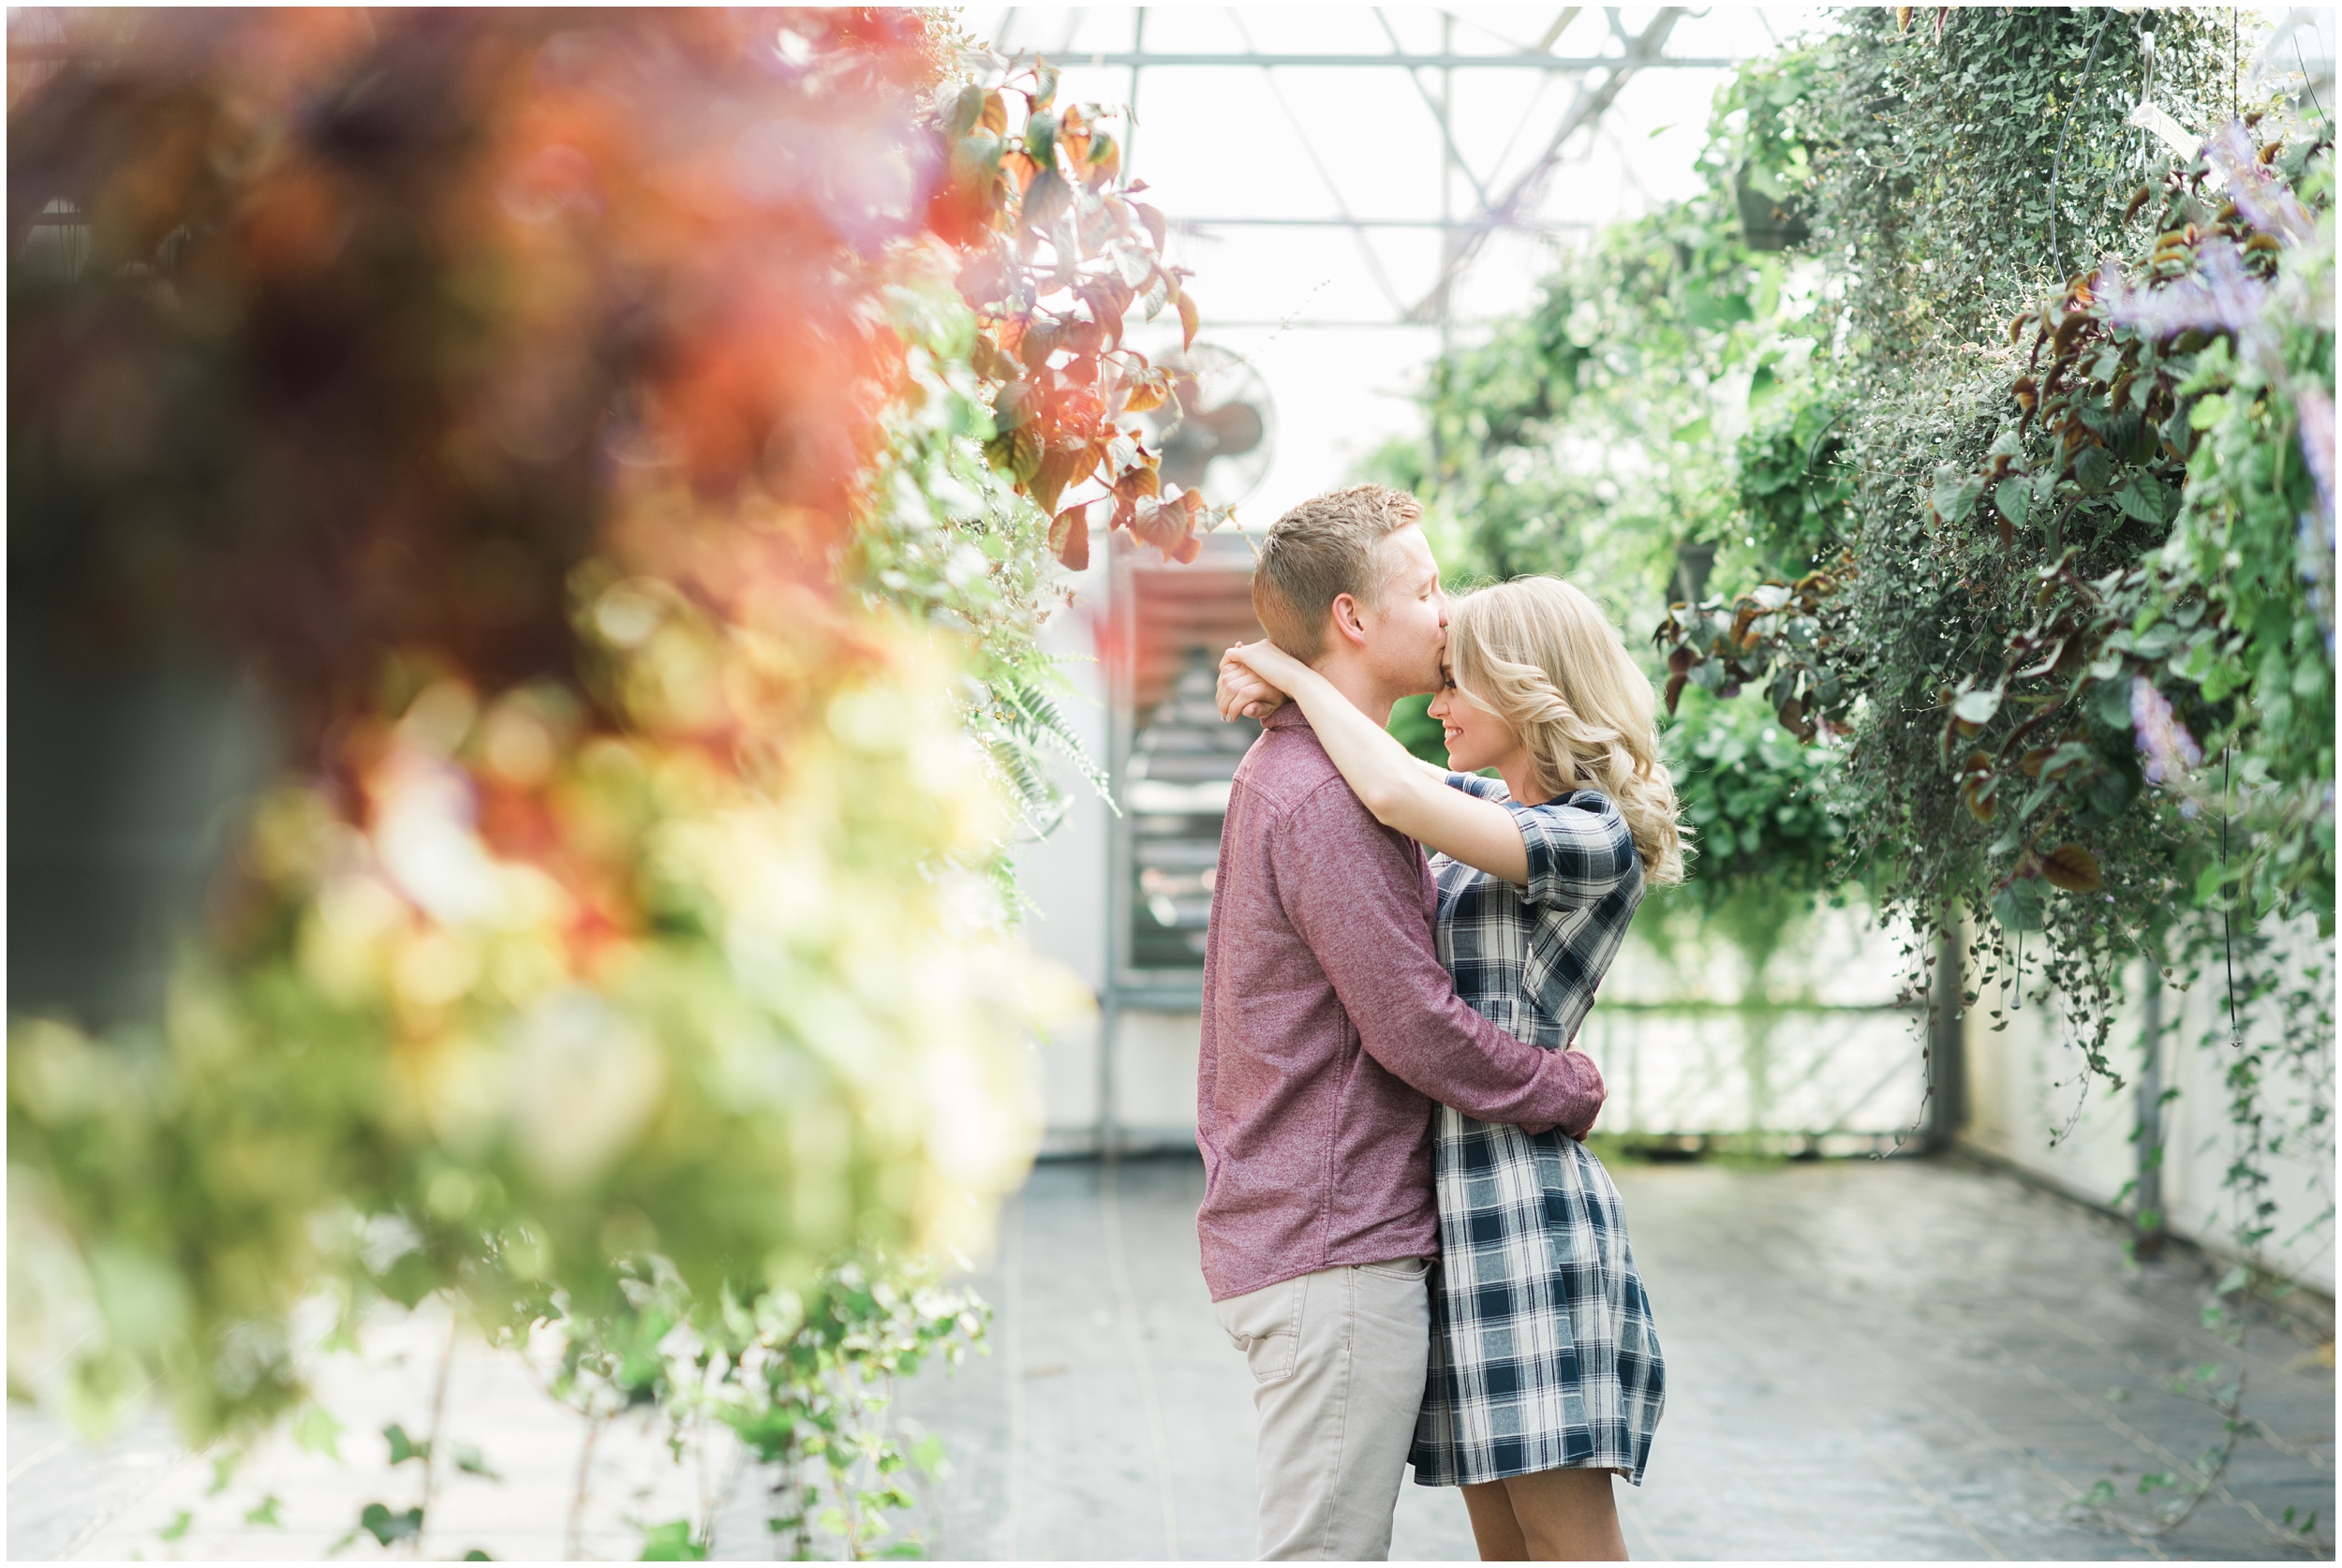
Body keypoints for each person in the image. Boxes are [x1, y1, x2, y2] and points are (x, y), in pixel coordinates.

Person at [1218, 572, 1682, 1562]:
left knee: (1567, 1551)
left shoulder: (1591, 834)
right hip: (1449, 1226)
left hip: (1526, 1217)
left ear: (1525, 689)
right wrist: (1286, 681)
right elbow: (1380, 769)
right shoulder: (1478, 806)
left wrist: (1291, 676)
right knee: (1504, 1554)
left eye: (1456, 683)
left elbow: (1386, 787)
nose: (1435, 704)